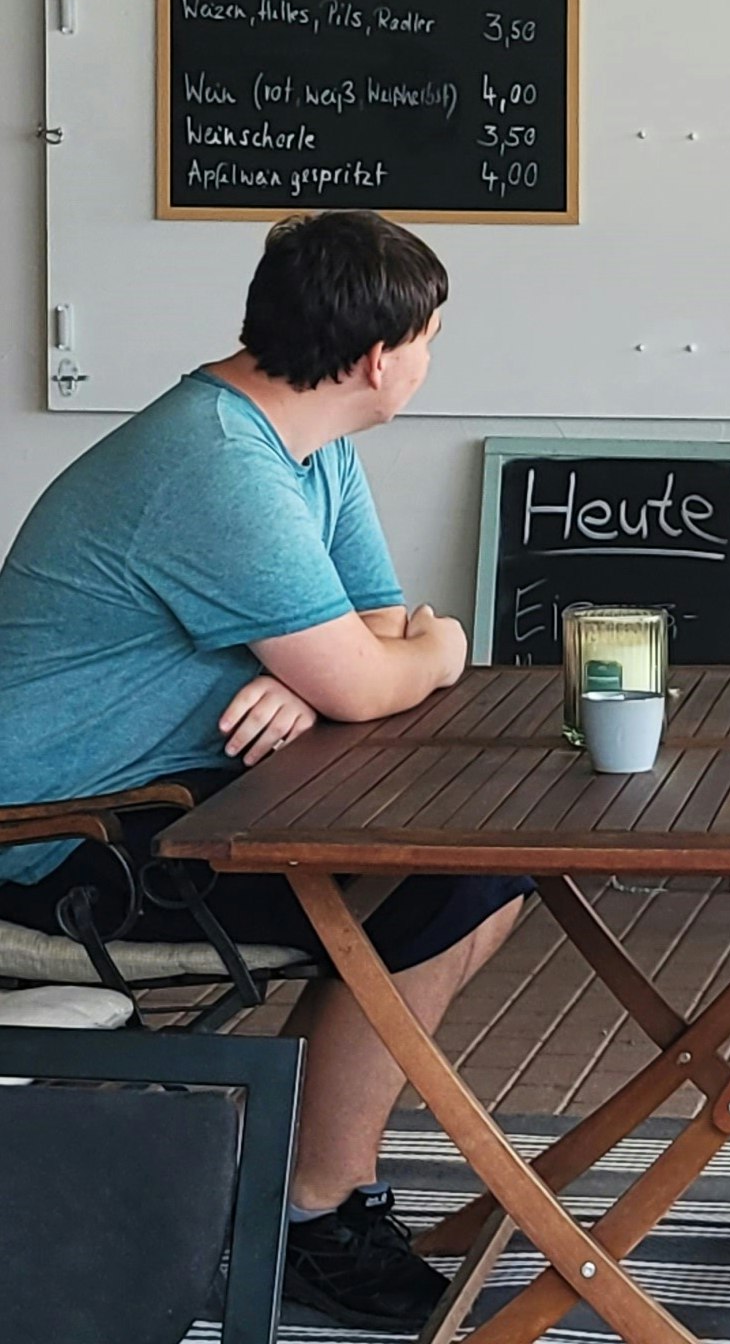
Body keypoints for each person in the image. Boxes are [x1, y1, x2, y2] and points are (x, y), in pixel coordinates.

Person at [0, 210, 523, 1332]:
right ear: (379, 356)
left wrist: (324, 667)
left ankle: (313, 1196)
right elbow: (392, 662)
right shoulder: (216, 464)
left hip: (158, 808)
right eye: (430, 339)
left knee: (478, 878)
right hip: (52, 848)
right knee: (453, 883)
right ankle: (311, 1218)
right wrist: (437, 649)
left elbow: (372, 629)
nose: (430, 361)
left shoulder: (304, 444)